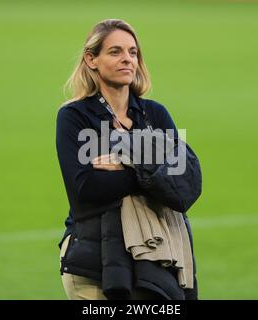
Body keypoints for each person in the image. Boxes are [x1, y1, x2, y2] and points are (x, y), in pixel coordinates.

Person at [55, 19, 198, 300]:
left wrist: (126, 164)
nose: (127, 60)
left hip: (156, 255)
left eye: (133, 53)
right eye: (115, 52)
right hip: (93, 262)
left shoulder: (155, 114)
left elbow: (184, 186)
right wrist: (151, 169)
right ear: (91, 59)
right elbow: (86, 189)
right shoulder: (75, 116)